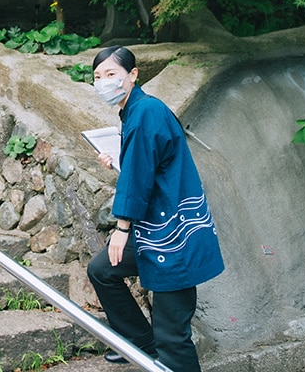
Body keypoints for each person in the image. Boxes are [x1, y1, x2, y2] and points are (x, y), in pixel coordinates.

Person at [86, 45, 224, 371]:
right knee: (102, 270)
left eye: (111, 75)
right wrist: (120, 162)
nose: (103, 82)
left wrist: (121, 229)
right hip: (155, 231)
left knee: (173, 335)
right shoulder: (136, 111)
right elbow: (147, 167)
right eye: (97, 77)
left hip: (174, 234)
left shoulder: (145, 112)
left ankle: (159, 351)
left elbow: (140, 176)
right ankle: (137, 344)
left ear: (133, 75)